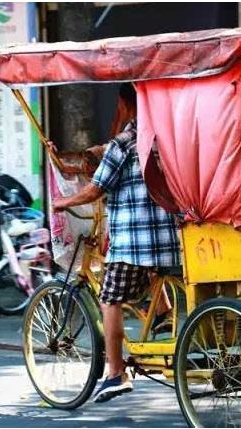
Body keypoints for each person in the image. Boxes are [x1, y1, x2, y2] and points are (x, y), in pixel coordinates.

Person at [53, 83, 181, 403]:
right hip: (171, 241)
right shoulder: (166, 140)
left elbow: (95, 190)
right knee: (149, 272)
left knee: (109, 297)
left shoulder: (123, 144)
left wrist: (63, 204)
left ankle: (115, 373)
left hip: (134, 243)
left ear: (124, 104)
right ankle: (164, 315)